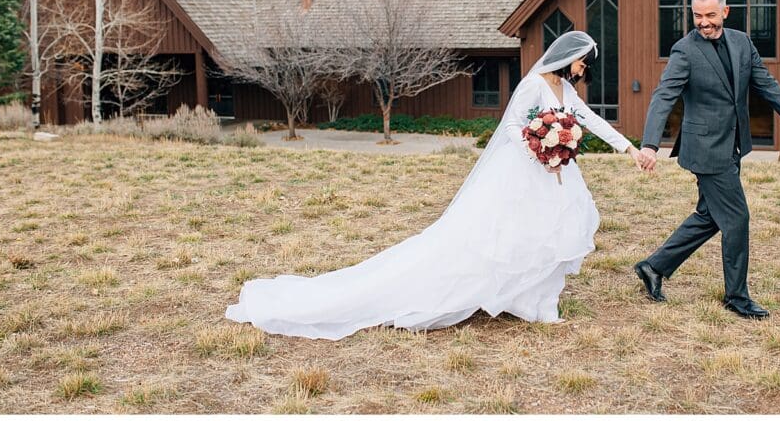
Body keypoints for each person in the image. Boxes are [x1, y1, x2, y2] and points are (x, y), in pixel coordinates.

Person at [226, 31, 648, 340]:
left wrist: (629, 150)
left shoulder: (564, 89)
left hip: (553, 169)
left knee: (547, 234)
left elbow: (589, 120)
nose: (584, 68)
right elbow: (516, 125)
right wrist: (541, 151)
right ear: (570, 58)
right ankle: (508, 296)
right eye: (583, 61)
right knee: (506, 236)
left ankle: (537, 301)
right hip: (525, 169)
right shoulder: (535, 84)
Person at [635, 0, 780, 319]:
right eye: (697, 16)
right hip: (705, 149)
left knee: (710, 216)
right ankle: (737, 297)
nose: (703, 22)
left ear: (725, 11)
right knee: (736, 219)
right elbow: (663, 96)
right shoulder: (684, 50)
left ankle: (653, 267)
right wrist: (649, 144)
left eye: (710, 15)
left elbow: (766, 83)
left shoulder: (741, 42)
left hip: (732, 144)